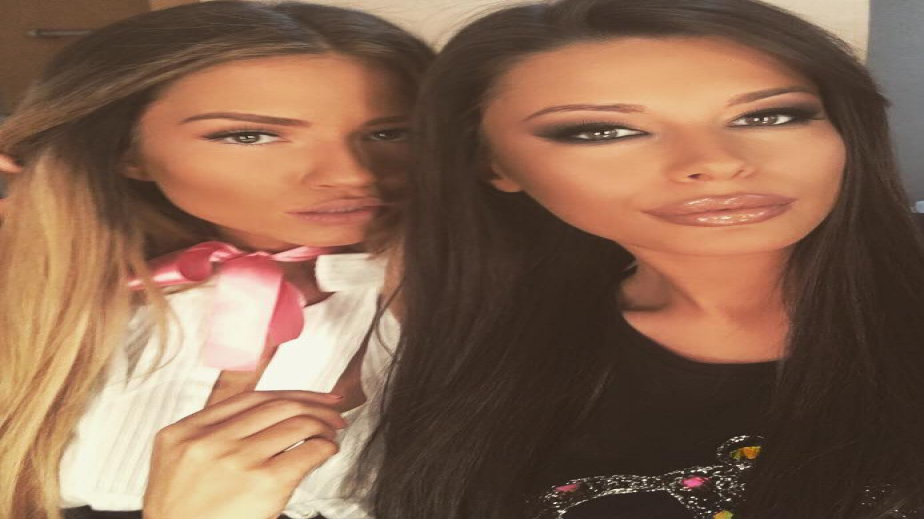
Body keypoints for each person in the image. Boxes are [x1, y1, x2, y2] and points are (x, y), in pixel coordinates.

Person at [370, 0, 924, 518]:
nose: (717, 163)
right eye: (604, 131)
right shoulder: (488, 349)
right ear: (492, 164)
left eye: (769, 117)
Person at [0, 3, 432, 519]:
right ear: (124, 150)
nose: (352, 174)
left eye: (390, 133)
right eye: (249, 135)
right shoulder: (48, 301)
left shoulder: (482, 308)